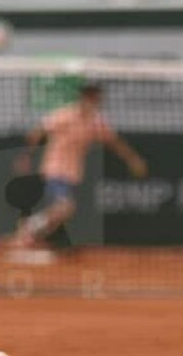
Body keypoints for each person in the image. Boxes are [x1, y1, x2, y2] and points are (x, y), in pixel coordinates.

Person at [12, 83, 148, 249]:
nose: (94, 102)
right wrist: (26, 155)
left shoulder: (96, 122)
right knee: (65, 208)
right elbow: (38, 131)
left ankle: (32, 236)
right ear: (83, 98)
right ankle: (29, 228)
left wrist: (132, 159)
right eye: (91, 98)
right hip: (55, 169)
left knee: (62, 212)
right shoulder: (65, 115)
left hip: (72, 174)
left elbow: (114, 142)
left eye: (97, 99)